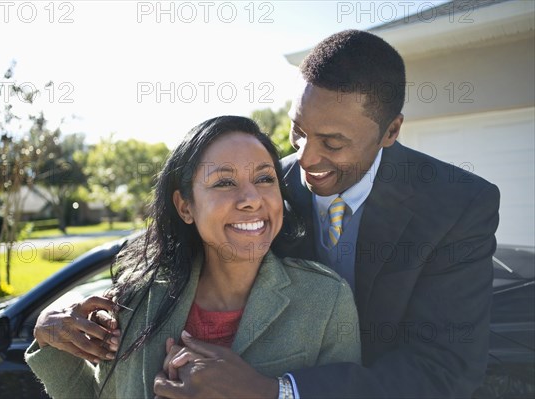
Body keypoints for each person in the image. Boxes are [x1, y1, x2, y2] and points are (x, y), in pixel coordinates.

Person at [151, 30, 500, 398]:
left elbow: (444, 369)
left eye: (332, 143)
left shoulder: (457, 204)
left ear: (391, 131)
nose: (304, 159)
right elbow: (182, 233)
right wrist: (98, 311)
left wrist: (279, 393)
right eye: (297, 131)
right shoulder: (269, 184)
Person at [25, 115, 360, 398]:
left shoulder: (326, 300)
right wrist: (45, 334)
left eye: (264, 178)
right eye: (224, 182)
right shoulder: (136, 298)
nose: (251, 199)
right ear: (185, 206)